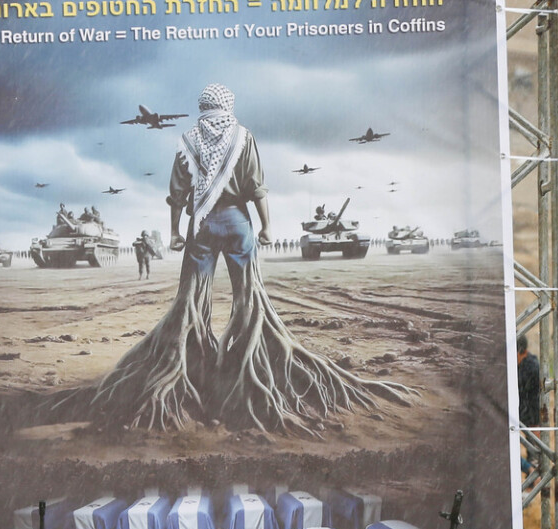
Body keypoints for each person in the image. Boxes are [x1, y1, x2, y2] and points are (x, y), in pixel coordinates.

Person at [45, 85, 401, 434]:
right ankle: (245, 372)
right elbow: (255, 187)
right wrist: (266, 226)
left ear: (202, 106)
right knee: (248, 295)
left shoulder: (188, 140)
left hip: (200, 223)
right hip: (236, 221)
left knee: (192, 299)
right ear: (228, 104)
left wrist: (174, 232)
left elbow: (176, 194)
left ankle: (194, 369)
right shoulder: (242, 137)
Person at [517, 333, 543, 432]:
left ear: (520, 351)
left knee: (534, 445)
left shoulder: (532, 367)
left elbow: (533, 397)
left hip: (531, 413)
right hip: (517, 410)